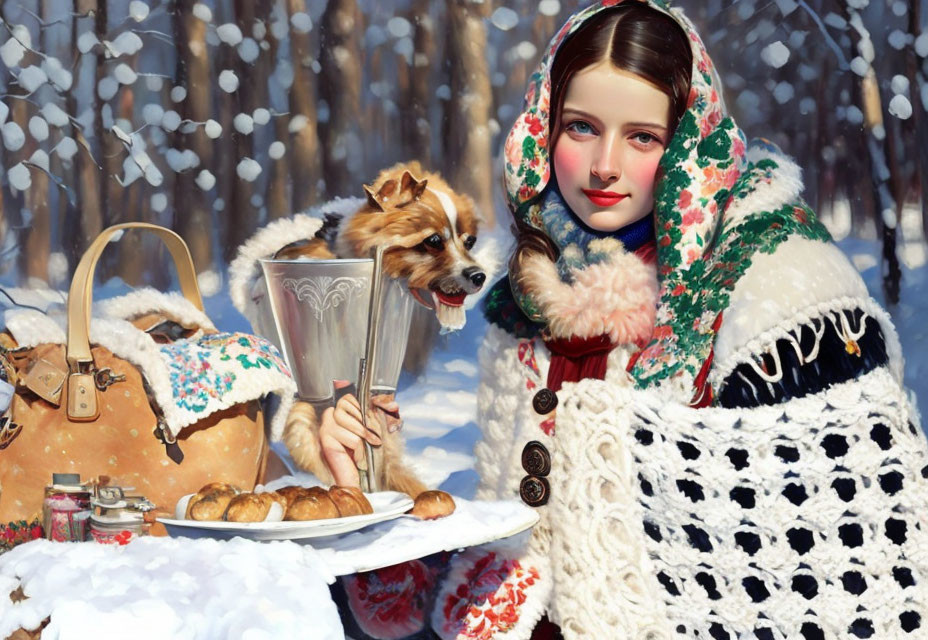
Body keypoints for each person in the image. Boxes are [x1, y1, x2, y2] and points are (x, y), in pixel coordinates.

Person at [432, 1, 928, 639]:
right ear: (542, 128)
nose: (604, 165)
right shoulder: (529, 292)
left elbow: (844, 563)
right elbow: (513, 548)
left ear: (689, 139)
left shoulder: (779, 293)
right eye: (580, 127)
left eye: (643, 136)